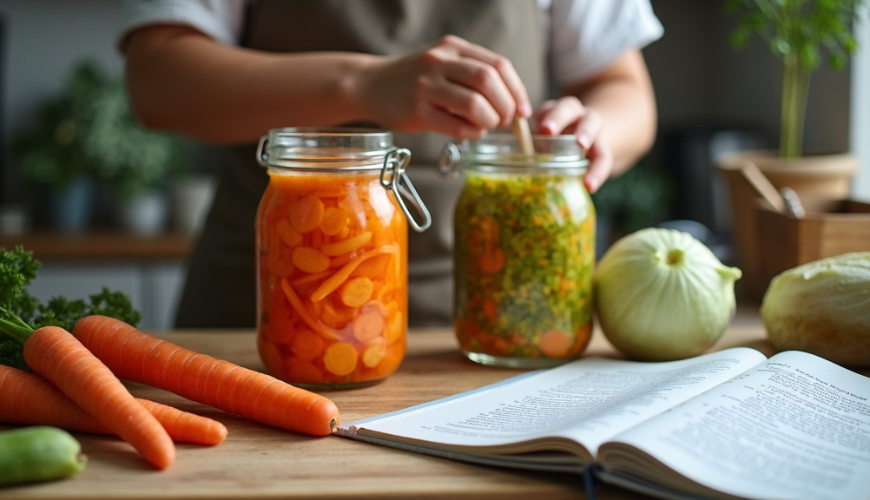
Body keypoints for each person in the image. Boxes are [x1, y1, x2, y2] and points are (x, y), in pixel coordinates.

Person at [119, 0, 663, 328]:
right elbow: (157, 81)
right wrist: (362, 85)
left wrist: (590, 130)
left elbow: (625, 91)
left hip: (501, 319)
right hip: (263, 315)